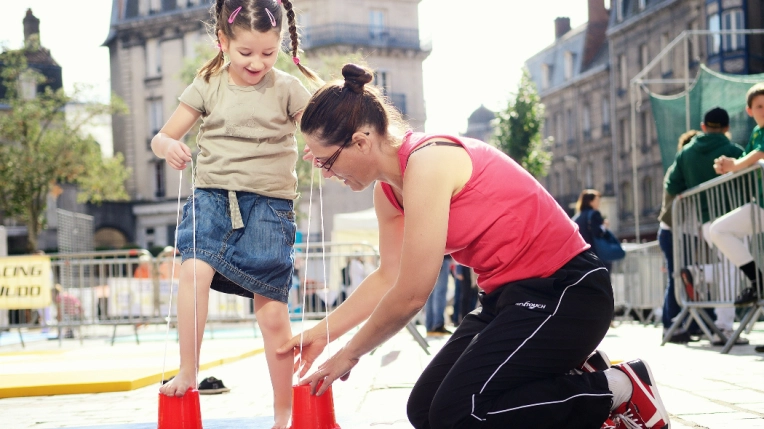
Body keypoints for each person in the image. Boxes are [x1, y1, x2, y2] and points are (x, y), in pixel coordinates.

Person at [277, 63, 670, 429]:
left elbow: (413, 293)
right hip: (507, 301)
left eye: (326, 162)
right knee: (425, 411)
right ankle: (571, 376)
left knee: (459, 413)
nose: (326, 174)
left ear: (361, 142)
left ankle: (617, 386)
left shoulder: (429, 162)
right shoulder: (388, 195)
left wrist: (350, 352)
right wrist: (325, 332)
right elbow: (388, 277)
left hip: (567, 291)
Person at [151, 1, 318, 427]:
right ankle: (189, 369)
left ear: (281, 44)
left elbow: (316, 131)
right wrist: (168, 146)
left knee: (273, 313)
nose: (257, 63)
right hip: (211, 198)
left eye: (269, 52)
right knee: (192, 274)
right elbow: (162, 136)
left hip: (268, 207)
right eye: (246, 53)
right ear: (223, 42)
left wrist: (321, 149)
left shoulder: (287, 88)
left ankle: (284, 412)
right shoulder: (208, 82)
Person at [665, 106, 747, 346]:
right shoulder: (734, 151)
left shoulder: (686, 153)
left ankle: (699, 273)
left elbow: (672, 185)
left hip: (705, 221)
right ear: (727, 128)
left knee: (729, 267)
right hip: (733, 217)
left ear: (703, 127)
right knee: (734, 267)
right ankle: (723, 326)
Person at [711, 83, 764, 307]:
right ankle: (758, 280)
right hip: (760, 206)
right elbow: (748, 160)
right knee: (718, 230)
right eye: (760, 106)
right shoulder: (756, 132)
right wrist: (726, 165)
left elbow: (760, 154)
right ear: (749, 111)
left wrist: (735, 165)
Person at [658, 130, 700, 343]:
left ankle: (684, 324)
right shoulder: (681, 168)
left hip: (685, 231)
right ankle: (670, 325)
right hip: (673, 231)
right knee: (676, 278)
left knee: (685, 278)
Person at [571, 189, 611, 272]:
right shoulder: (594, 214)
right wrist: (604, 226)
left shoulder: (577, 217)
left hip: (583, 255)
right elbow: (597, 232)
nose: (599, 203)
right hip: (596, 253)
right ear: (590, 202)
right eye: (597, 200)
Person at [424, 255, 453, 335]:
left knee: (430, 293)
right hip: (441, 257)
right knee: (440, 292)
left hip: (426, 258)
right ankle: (438, 325)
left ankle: (430, 326)